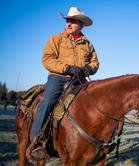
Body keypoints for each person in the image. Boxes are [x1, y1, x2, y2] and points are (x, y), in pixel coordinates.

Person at [28, 7, 99, 158]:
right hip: (58, 77)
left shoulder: (88, 44)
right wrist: (67, 67)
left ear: (81, 25)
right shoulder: (55, 39)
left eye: (73, 21)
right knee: (47, 101)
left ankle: (90, 140)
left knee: (93, 103)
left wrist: (88, 69)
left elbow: (95, 63)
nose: (68, 23)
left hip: (79, 79)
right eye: (68, 21)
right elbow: (47, 59)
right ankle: (37, 141)